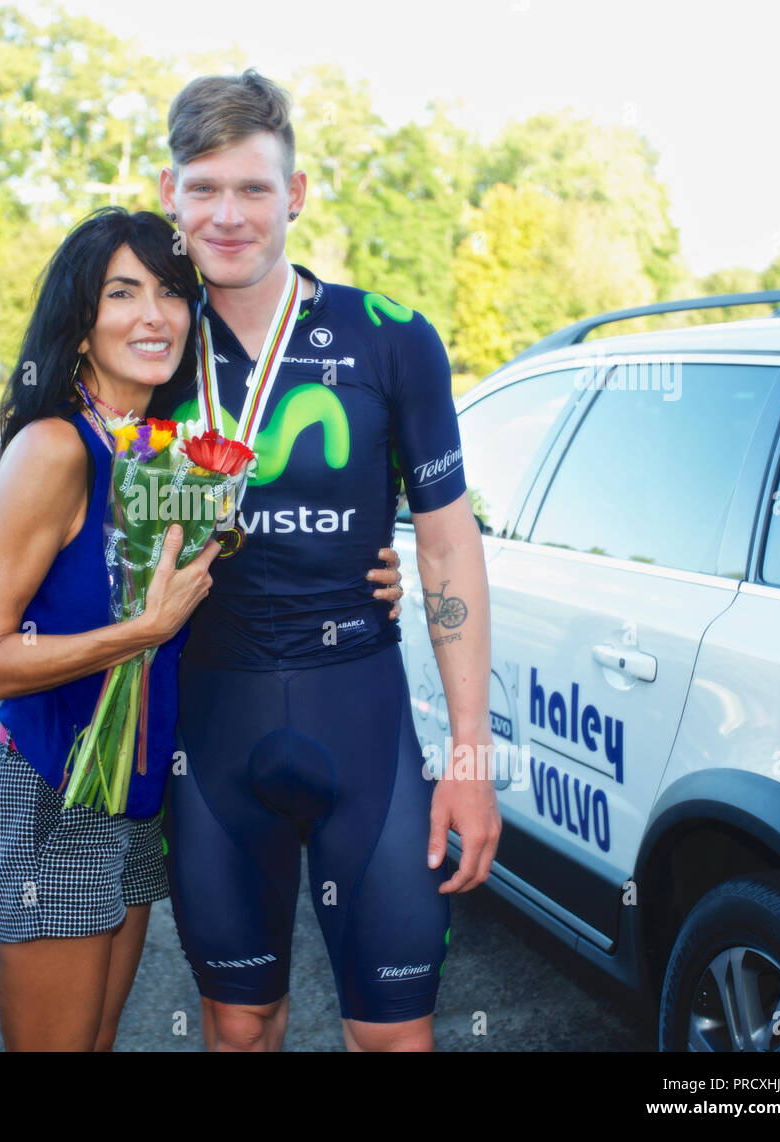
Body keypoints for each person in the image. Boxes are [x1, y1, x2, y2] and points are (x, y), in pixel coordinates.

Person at [156, 71, 501, 1052]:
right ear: (171, 192)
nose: (228, 215)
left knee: (394, 1038)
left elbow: (445, 541)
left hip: (362, 721)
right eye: (204, 188)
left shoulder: (389, 336)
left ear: (295, 194)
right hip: (209, 730)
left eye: (254, 189)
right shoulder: (146, 339)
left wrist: (469, 758)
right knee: (239, 1025)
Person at [0, 208, 221, 1051]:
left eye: (172, 293)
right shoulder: (56, 447)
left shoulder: (155, 452)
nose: (154, 315)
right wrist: (141, 630)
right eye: (123, 293)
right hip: (55, 790)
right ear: (79, 321)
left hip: (131, 796)